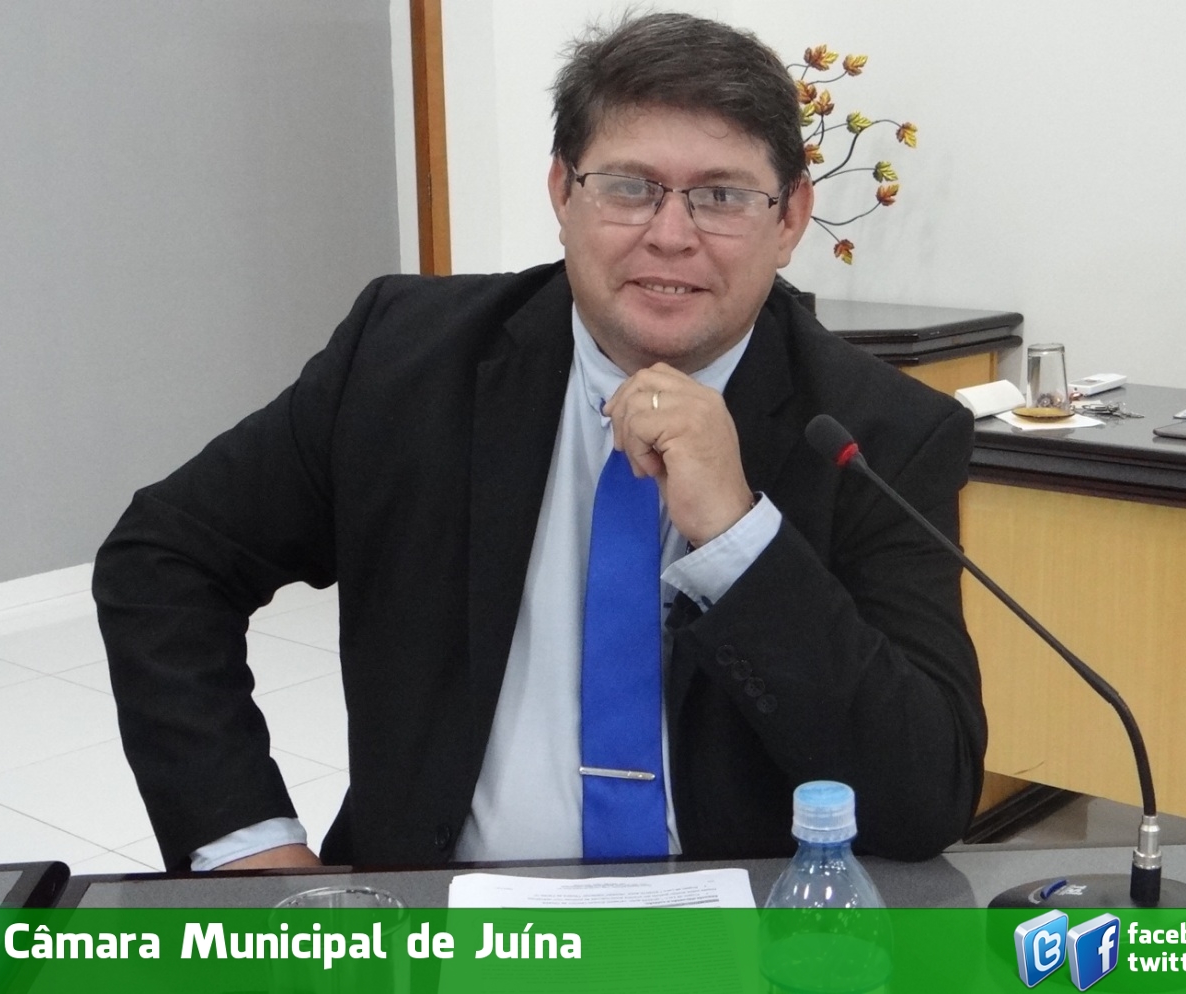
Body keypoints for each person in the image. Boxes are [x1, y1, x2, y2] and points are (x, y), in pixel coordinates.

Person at [93, 12, 985, 873]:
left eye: (721, 196)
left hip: (742, 931)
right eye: (630, 186)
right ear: (563, 192)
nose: (670, 235)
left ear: (790, 219)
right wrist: (244, 842)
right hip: (444, 916)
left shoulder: (880, 435)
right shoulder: (403, 360)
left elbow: (921, 797)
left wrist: (739, 536)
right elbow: (164, 558)